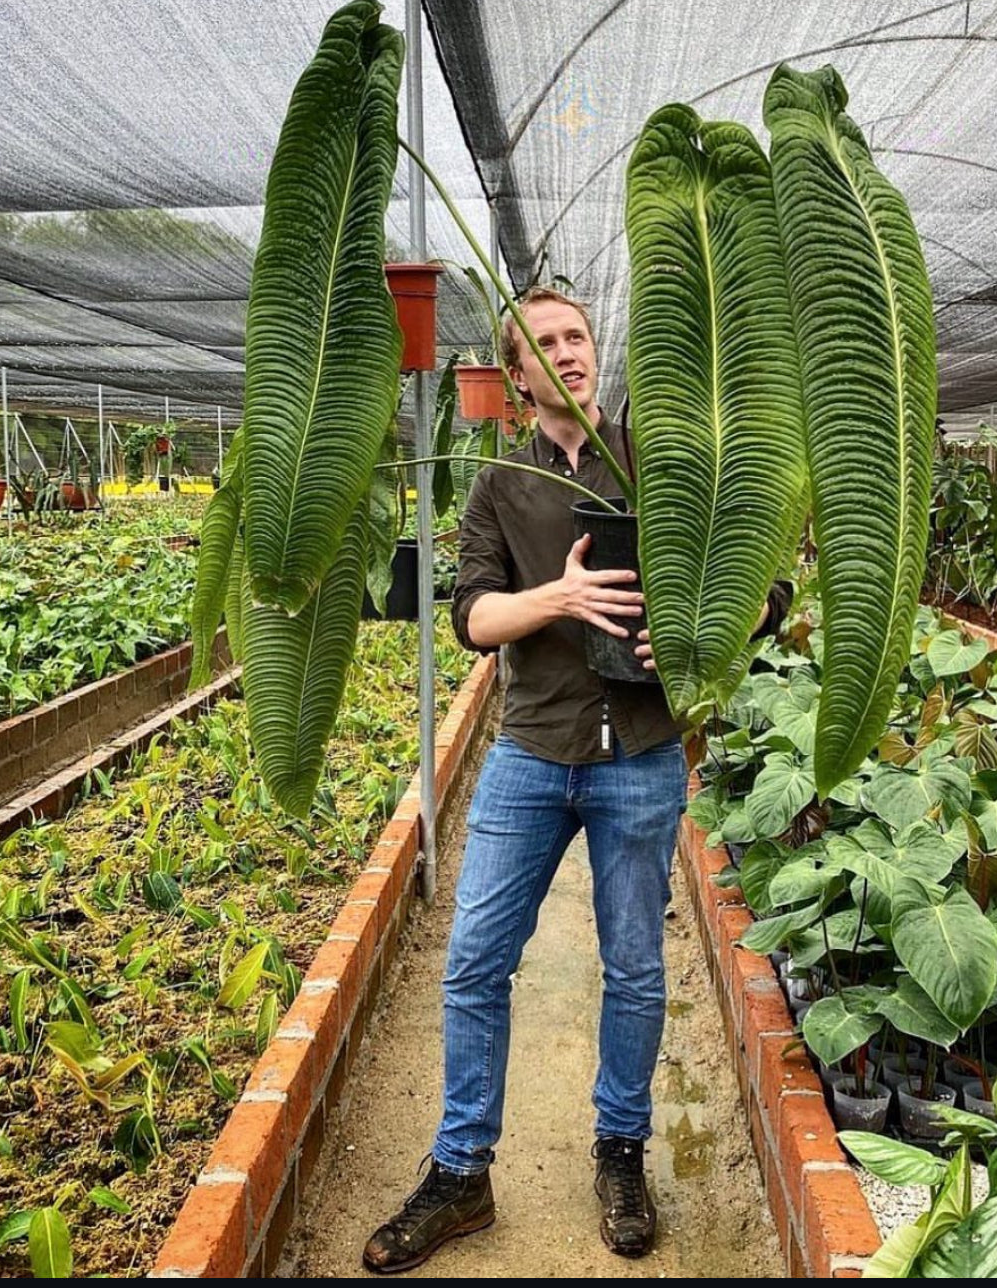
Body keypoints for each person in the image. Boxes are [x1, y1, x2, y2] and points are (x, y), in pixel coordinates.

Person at [362, 287, 791, 1273]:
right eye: (546, 344)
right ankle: (462, 1170)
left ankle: (622, 1153)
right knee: (475, 959)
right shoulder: (497, 483)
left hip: (639, 757)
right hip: (530, 752)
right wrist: (556, 594)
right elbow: (471, 618)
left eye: (579, 336)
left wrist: (702, 620)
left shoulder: (663, 460)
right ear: (515, 377)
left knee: (636, 966)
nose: (569, 353)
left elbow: (766, 586)